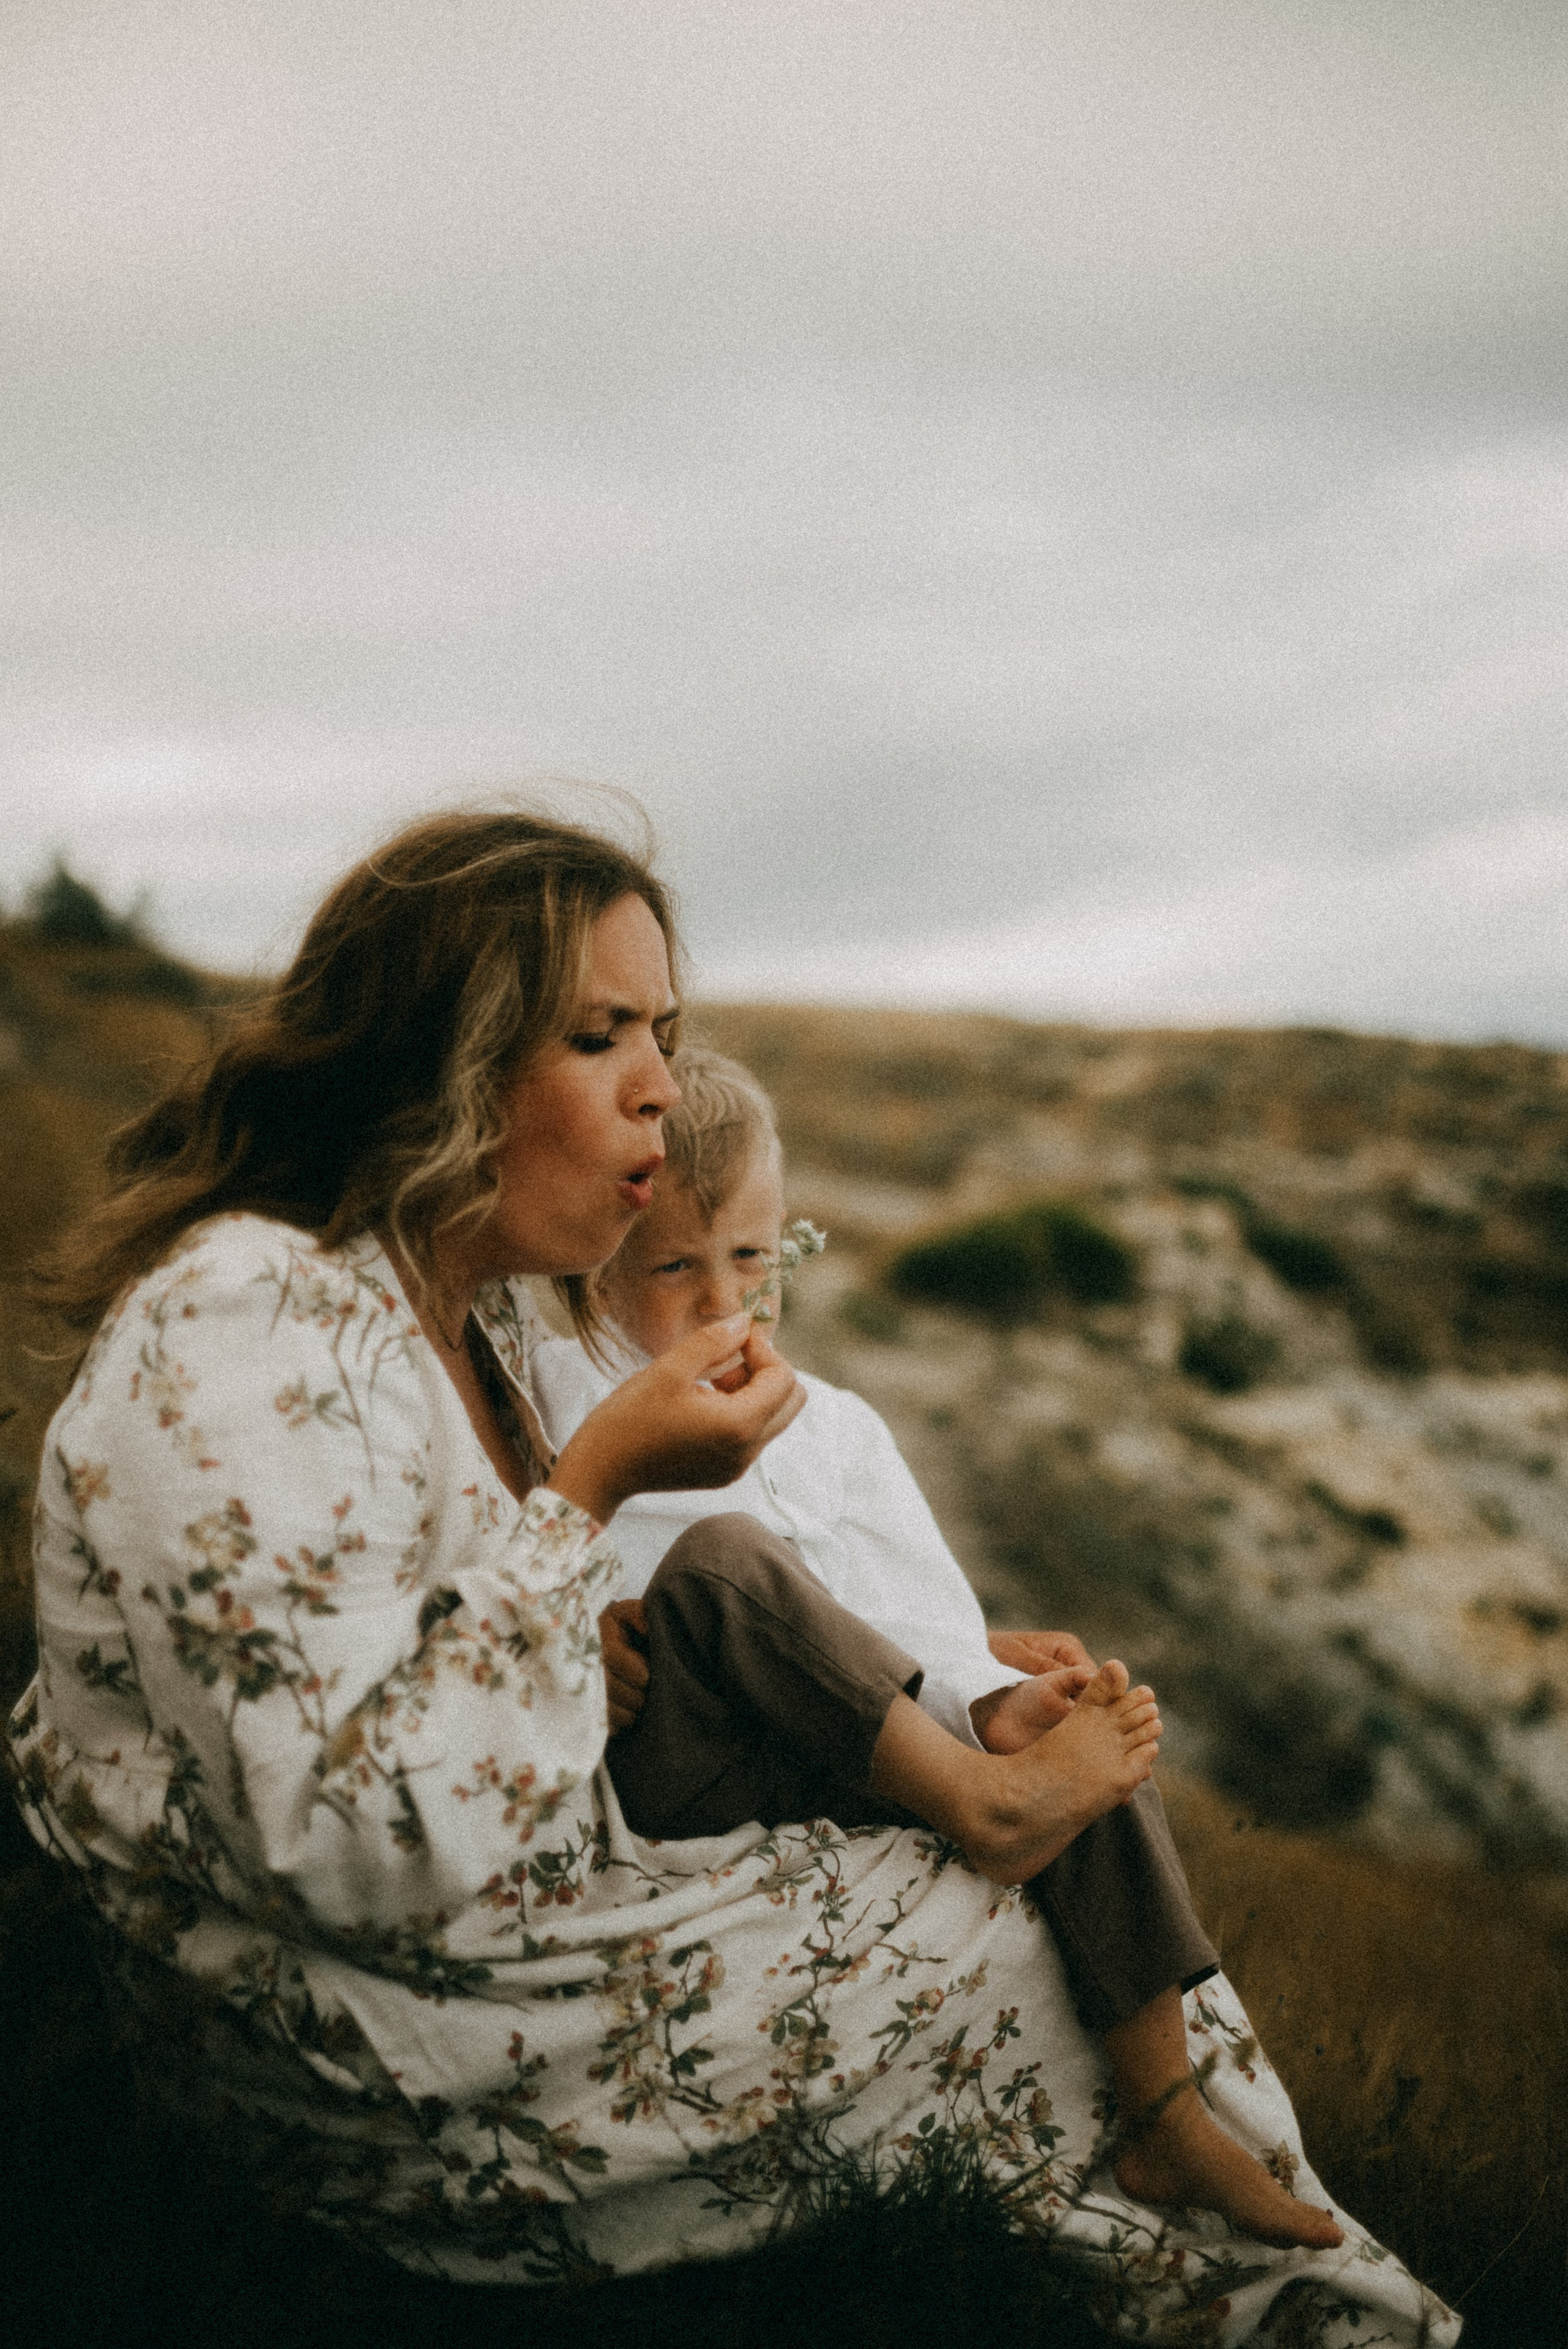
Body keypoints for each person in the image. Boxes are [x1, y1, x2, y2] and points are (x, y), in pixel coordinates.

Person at [7, 807, 1457, 2345]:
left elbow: (447, 1641)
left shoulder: (465, 1314)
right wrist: (593, 1491)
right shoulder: (250, 1317)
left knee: (1028, 1838)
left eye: (664, 1031)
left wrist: (919, 1662)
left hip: (525, 1896)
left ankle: (1240, 2261)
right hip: (363, 2039)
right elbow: (339, 1840)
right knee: (1010, 1921)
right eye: (597, 1036)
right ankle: (1299, 2302)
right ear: (438, 1058)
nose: (656, 1084)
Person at [529, 1048, 1338, 2249]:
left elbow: (907, 1608)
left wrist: (987, 1697)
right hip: (683, 1760)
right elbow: (511, 1556)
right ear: (597, 1267)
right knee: (723, 1555)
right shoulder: (558, 1394)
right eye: (673, 1267)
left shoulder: (839, 1426)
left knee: (1077, 1739)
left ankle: (1165, 2113)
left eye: (751, 1257)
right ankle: (983, 1803)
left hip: (848, 1756)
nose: (722, 1303)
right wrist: (574, 1626)